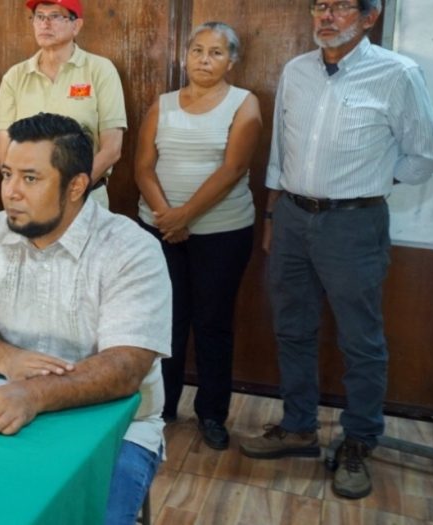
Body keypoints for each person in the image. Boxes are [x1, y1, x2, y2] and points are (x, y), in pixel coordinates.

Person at [240, 0, 433, 500]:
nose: (326, 16)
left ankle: (358, 440)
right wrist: (272, 215)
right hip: (292, 217)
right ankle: (298, 426)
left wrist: (374, 179)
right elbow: (281, 150)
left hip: (354, 224)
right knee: (292, 327)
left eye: (341, 7)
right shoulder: (296, 70)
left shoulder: (397, 74)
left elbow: (428, 154)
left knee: (361, 340)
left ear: (370, 17)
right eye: (320, 5)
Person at [0, 113, 170, 524]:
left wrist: (35, 393)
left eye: (30, 178)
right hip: (8, 404)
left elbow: (126, 367)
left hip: (116, 426)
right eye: (7, 174)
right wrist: (7, 359)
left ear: (76, 186)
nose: (10, 192)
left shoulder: (131, 249)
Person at [133, 22, 262, 450]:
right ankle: (163, 406)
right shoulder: (163, 104)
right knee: (165, 322)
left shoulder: (245, 104)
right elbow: (143, 167)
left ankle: (211, 413)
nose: (204, 60)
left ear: (232, 61)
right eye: (197, 51)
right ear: (184, 56)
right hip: (159, 229)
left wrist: (184, 216)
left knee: (212, 323)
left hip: (222, 233)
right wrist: (166, 218)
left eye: (216, 53)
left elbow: (233, 169)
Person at [0, 0, 126, 208]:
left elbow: (112, 149)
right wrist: (29, 190)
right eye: (39, 16)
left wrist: (71, 190)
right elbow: (5, 150)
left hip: (85, 196)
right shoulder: (15, 76)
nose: (45, 23)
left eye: (55, 16)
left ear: (76, 26)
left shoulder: (100, 69)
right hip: (29, 199)